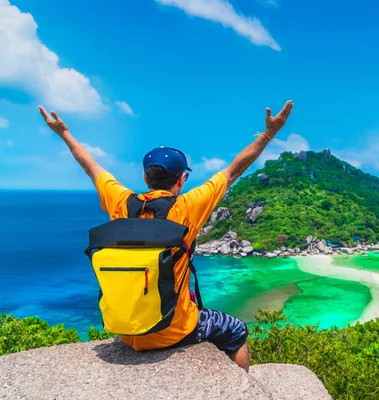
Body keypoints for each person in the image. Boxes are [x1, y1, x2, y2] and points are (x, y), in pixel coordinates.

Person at [38, 100, 294, 371]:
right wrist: (268, 135)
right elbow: (233, 172)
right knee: (237, 331)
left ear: (145, 178)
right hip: (172, 331)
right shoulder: (185, 208)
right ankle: (244, 389)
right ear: (181, 179)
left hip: (126, 332)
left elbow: (91, 167)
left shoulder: (121, 203)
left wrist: (64, 133)